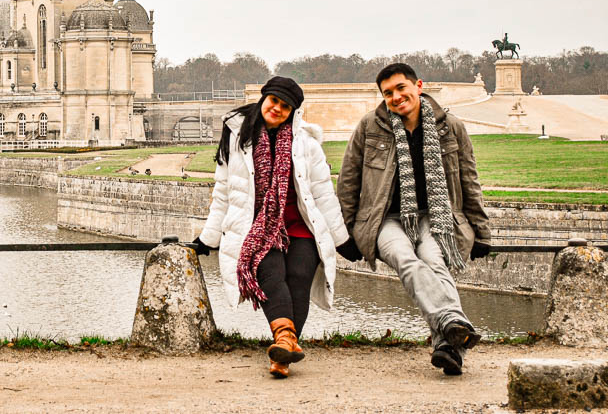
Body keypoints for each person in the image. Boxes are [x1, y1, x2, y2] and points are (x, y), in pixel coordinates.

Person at [336, 63, 491, 376]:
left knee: (434, 261)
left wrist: (482, 232)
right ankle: (453, 325)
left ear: (418, 85)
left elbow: (469, 180)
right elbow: (348, 181)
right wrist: (346, 235)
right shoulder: (370, 126)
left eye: (400, 88)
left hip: (438, 217)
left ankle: (448, 346)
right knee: (406, 259)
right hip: (383, 220)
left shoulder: (451, 126)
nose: (395, 97)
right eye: (388, 93)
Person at [193, 77, 353, 378]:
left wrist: (341, 239)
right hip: (259, 227)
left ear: (294, 112)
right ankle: (285, 346)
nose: (277, 109)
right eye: (274, 101)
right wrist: (208, 237)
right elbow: (225, 192)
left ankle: (283, 350)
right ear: (263, 99)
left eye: (285, 106)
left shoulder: (306, 144)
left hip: (301, 225)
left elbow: (322, 196)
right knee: (273, 274)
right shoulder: (237, 140)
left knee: (300, 277)